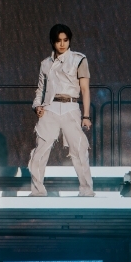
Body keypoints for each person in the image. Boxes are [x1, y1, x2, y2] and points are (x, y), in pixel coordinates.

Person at [29, 24, 94, 197]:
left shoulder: (79, 59)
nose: (62, 44)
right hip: (50, 108)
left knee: (79, 150)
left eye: (65, 40)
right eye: (58, 41)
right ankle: (37, 191)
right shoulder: (45, 64)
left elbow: (85, 89)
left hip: (70, 107)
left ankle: (86, 191)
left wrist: (86, 115)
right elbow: (40, 90)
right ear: (53, 42)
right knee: (40, 150)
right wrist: (37, 106)